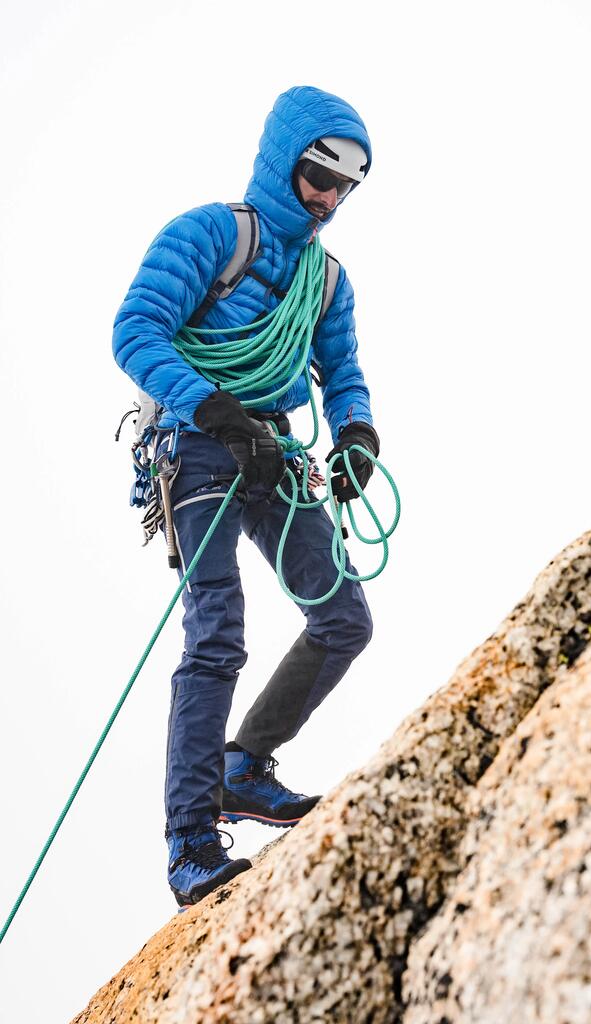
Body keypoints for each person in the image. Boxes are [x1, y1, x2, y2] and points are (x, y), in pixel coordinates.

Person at [112, 86, 379, 909]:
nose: (329, 198)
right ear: (283, 159)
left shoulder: (327, 281)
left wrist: (358, 435)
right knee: (217, 628)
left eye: (345, 186)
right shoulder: (212, 234)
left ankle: (242, 765)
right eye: (317, 175)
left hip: (271, 448)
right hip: (196, 445)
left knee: (344, 619)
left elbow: (343, 374)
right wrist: (221, 414)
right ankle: (191, 842)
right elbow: (135, 329)